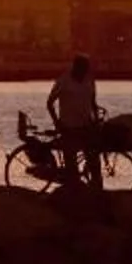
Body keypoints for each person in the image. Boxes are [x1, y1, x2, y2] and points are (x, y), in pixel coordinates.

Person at [45, 53, 103, 186]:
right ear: (76, 67)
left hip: (86, 124)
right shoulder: (63, 81)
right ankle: (73, 190)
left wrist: (96, 118)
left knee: (93, 159)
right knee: (71, 163)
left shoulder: (90, 80)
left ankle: (97, 189)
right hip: (68, 126)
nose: (86, 71)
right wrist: (57, 122)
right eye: (83, 68)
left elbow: (92, 102)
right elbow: (49, 103)